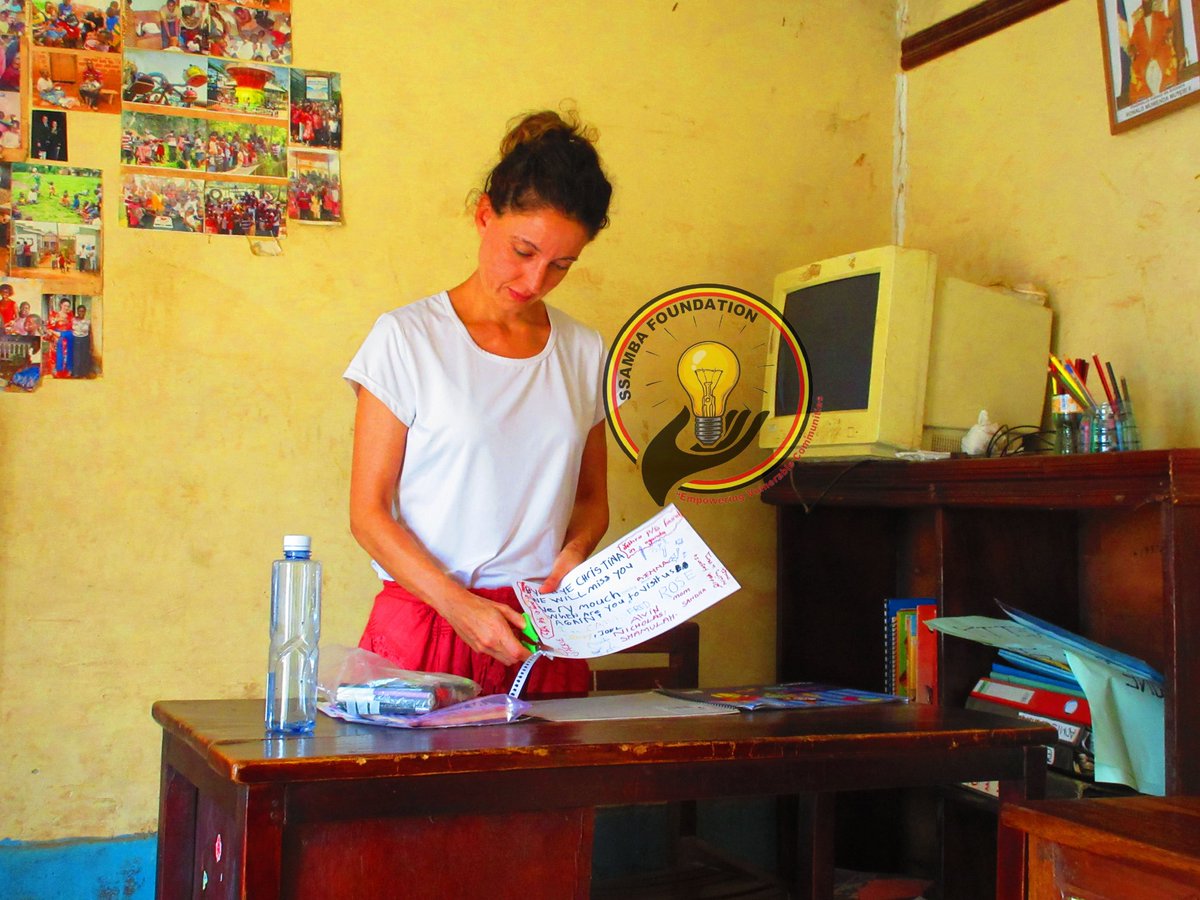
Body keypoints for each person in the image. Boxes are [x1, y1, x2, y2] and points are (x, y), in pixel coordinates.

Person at [343, 109, 613, 698]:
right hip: (426, 623)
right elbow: (368, 511)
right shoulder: (407, 338)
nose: (536, 279)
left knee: (547, 791)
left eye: (562, 265)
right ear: (484, 214)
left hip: (538, 633)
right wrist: (458, 606)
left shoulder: (583, 350)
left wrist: (574, 553)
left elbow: (592, 499)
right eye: (523, 250)